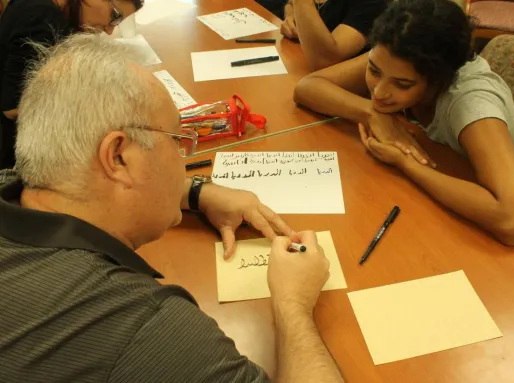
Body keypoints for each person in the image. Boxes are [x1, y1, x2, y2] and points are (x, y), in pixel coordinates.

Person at [0, 34, 344, 382]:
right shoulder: (144, 331)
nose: (186, 159)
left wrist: (197, 193)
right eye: (179, 141)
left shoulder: (17, 183)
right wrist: (293, 306)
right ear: (118, 156)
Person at [294, 0, 514, 246]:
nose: (379, 92)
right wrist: (370, 114)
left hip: (474, 219)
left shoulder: (471, 103)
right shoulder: (395, 56)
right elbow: (307, 87)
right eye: (374, 71)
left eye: (402, 85)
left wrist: (406, 164)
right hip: (429, 197)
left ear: (439, 80)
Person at [0, 0, 142, 170]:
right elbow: (13, 107)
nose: (110, 30)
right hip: (13, 153)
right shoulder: (42, 16)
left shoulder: (52, 12)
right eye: (115, 16)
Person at [281, 0, 387, 71]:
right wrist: (293, 16)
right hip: (297, 63)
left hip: (337, 88)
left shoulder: (373, 3)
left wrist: (302, 3)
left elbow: (324, 61)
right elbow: (290, 3)